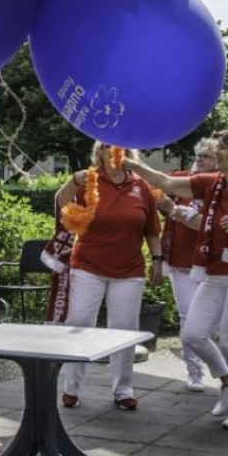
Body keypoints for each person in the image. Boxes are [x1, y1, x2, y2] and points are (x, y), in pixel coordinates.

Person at [127, 130, 228, 429]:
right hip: (213, 275)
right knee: (193, 334)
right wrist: (135, 167)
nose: (217, 152)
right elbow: (167, 183)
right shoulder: (213, 183)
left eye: (222, 148)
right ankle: (226, 383)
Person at [56, 142, 162, 411]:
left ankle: (123, 388)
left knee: (124, 329)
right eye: (107, 146)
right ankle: (71, 387)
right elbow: (61, 202)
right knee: (79, 322)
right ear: (99, 153)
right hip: (88, 264)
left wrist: (158, 260)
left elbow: (151, 228)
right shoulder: (89, 178)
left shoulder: (141, 185)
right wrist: (72, 180)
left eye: (121, 146)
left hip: (129, 269)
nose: (115, 151)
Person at [156, 137, 224, 392]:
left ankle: (225, 368)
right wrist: (163, 207)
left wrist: (173, 209)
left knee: (216, 324)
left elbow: (202, 222)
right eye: (198, 155)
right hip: (181, 262)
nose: (198, 160)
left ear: (218, 162)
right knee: (188, 319)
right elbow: (161, 194)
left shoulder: (220, 186)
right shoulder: (182, 179)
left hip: (211, 266)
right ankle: (194, 372)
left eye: (205, 156)